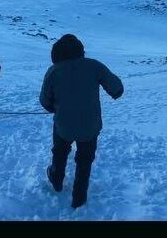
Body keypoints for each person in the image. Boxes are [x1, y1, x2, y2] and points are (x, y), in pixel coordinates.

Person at [39, 34, 124, 208]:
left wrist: (55, 108)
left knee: (60, 152)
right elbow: (117, 90)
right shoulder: (94, 66)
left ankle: (56, 179)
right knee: (85, 161)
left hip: (63, 125)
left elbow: (44, 101)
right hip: (90, 126)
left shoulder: (54, 71)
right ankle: (79, 197)